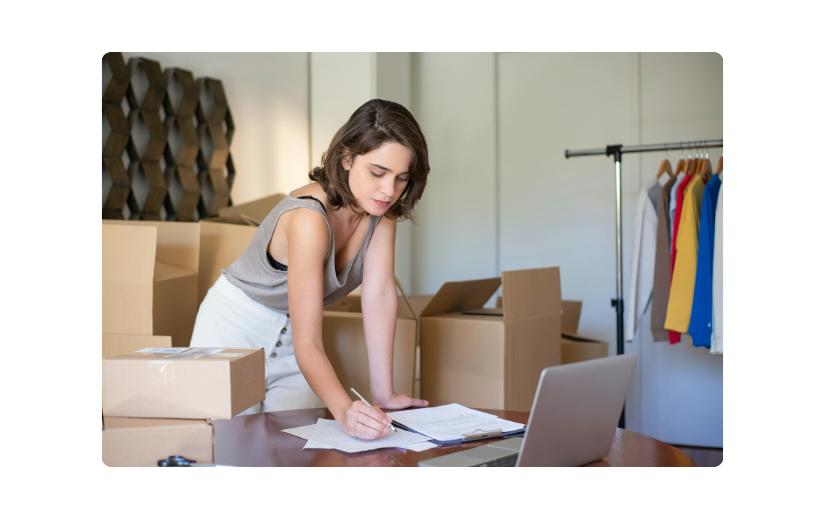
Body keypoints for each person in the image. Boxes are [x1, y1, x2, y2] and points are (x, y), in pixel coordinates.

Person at [190, 99, 430, 440]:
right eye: (377, 173)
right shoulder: (308, 220)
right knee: (229, 452)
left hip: (293, 340)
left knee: (292, 451)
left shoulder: (382, 215)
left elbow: (377, 296)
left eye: (401, 178)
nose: (388, 191)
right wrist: (345, 410)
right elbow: (309, 340)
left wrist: (384, 395)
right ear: (347, 158)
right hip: (233, 332)